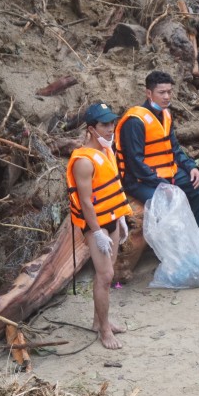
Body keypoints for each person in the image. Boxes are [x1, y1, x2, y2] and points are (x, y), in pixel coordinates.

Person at [67, 102, 133, 350]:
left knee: (108, 273)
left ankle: (98, 321)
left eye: (112, 123)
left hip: (111, 217)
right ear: (91, 129)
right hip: (95, 224)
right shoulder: (84, 161)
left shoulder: (107, 151)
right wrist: (96, 232)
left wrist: (121, 218)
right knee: (105, 276)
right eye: (105, 124)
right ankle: (104, 330)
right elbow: (85, 202)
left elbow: (114, 188)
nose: (110, 128)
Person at [115, 71, 199, 239]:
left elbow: (174, 149)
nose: (167, 96)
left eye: (169, 91)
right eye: (162, 92)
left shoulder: (166, 114)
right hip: (140, 180)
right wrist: (162, 185)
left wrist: (191, 167)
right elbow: (135, 164)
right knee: (164, 203)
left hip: (167, 174)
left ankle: (197, 238)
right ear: (149, 93)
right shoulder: (135, 122)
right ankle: (172, 251)